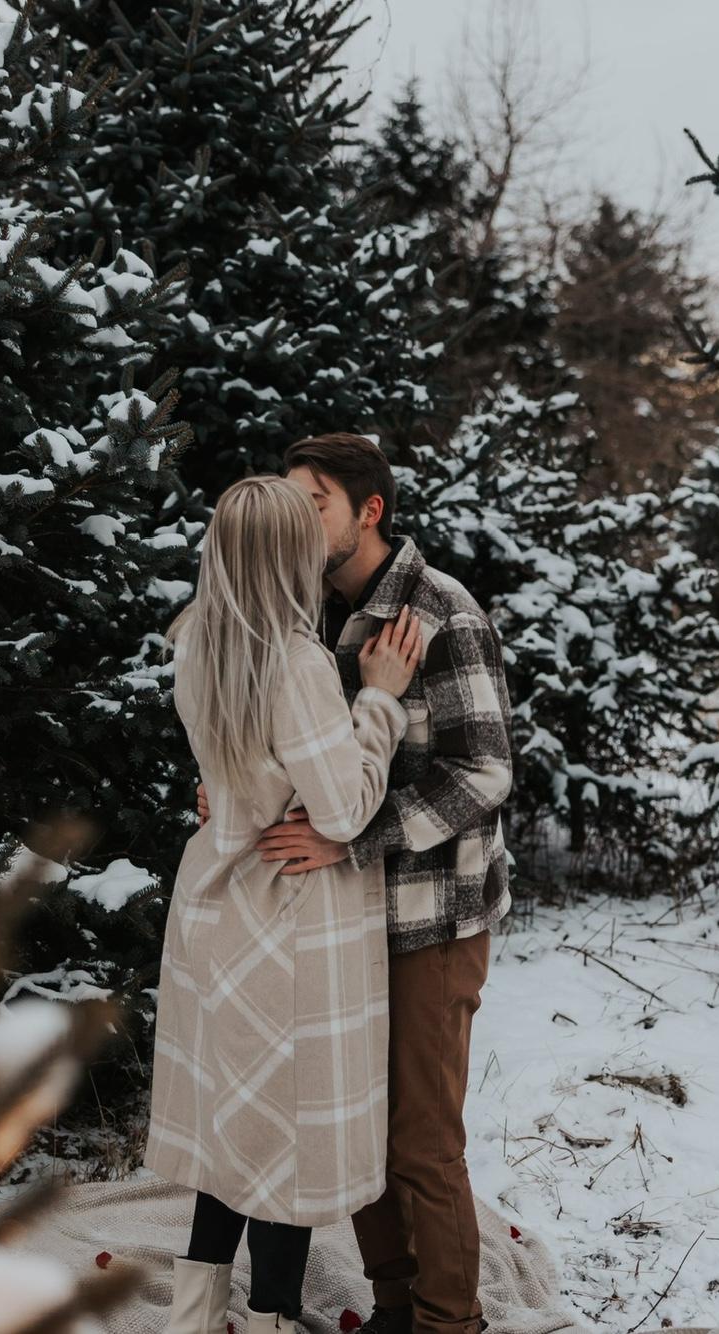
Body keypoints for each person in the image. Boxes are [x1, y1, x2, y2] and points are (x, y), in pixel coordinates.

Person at [203, 434, 514, 1334]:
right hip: (343, 918)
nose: (296, 522)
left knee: (421, 1140)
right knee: (358, 1126)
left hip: (431, 917)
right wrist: (233, 790)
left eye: (314, 504)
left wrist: (353, 838)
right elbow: (294, 748)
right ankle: (394, 1305)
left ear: (368, 511)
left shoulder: (439, 613)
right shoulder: (301, 609)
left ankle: (449, 1321)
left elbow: (484, 773)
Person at [146, 474, 424, 1334]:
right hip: (285, 919)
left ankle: (192, 1318)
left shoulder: (197, 640)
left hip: (213, 906)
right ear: (289, 556)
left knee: (232, 1132)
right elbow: (343, 809)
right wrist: (379, 700)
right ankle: (268, 1318)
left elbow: (235, 773)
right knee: (285, 1149)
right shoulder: (297, 663)